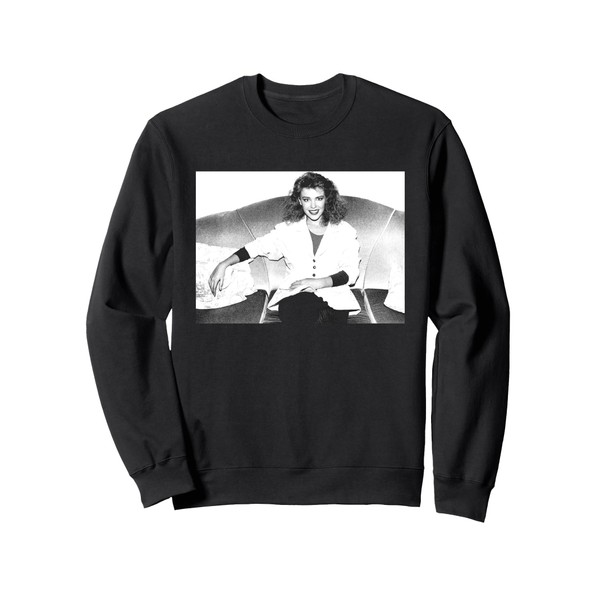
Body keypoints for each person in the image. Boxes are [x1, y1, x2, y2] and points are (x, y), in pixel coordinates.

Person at [208, 172, 362, 324]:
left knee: (322, 315)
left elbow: (351, 272)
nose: (313, 206)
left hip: (334, 297)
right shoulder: (287, 230)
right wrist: (224, 264)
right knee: (302, 309)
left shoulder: (345, 231)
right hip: (296, 297)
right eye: (306, 199)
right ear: (300, 201)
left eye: (319, 198)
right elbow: (255, 247)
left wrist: (318, 283)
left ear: (327, 199)